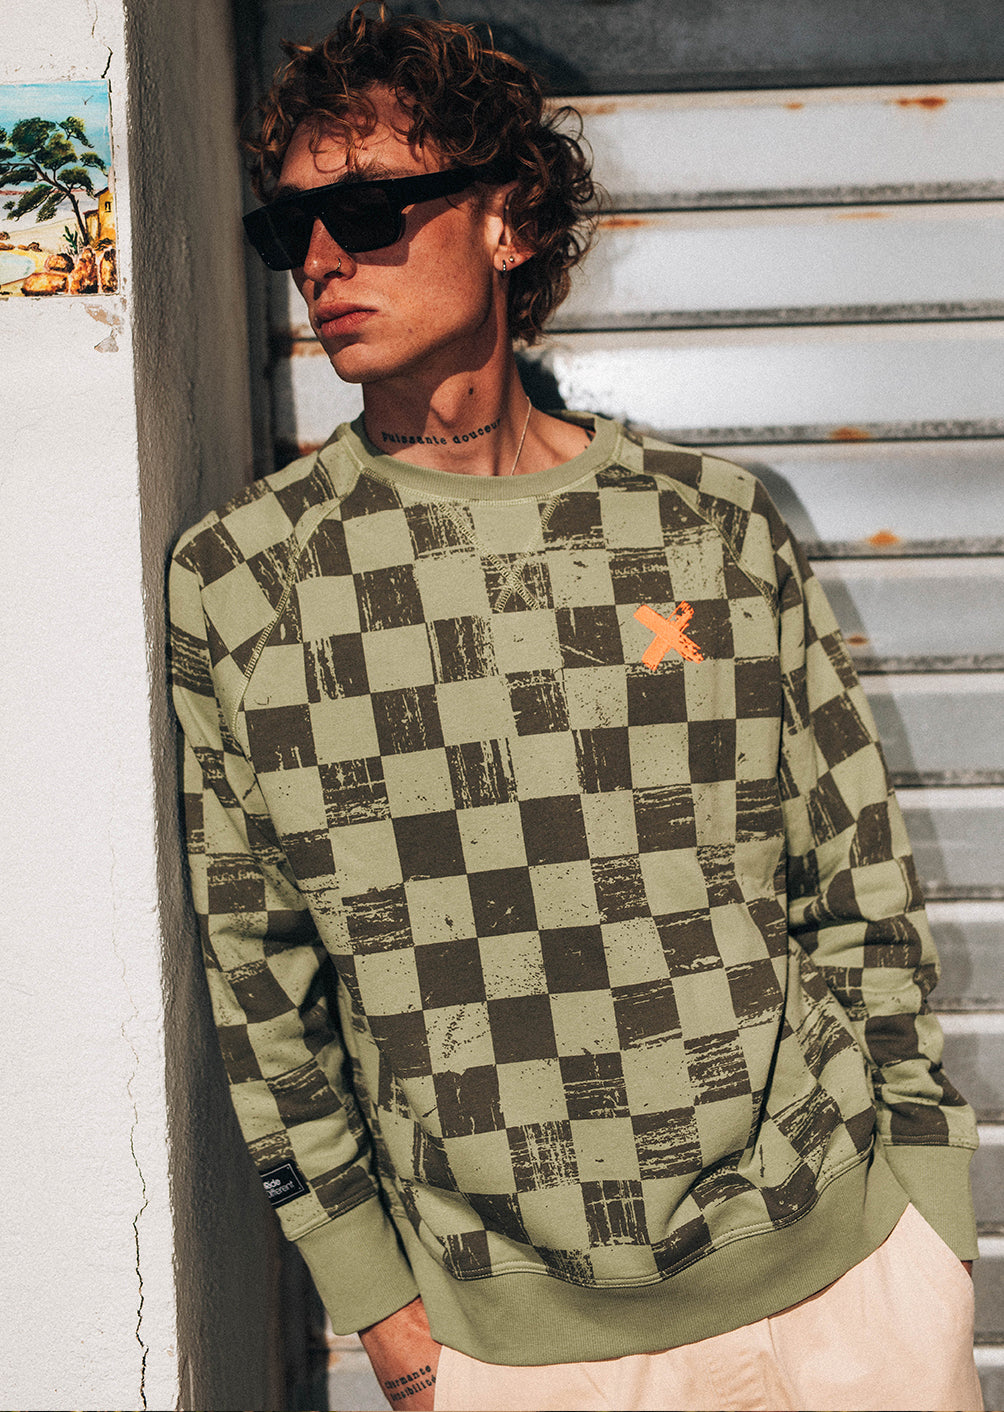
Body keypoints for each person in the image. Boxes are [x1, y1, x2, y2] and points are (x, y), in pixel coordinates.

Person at [168, 7, 983, 1409]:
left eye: (366, 210)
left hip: (842, 1282)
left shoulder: (708, 527)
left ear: (508, 220)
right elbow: (260, 981)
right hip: (512, 1346)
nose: (320, 260)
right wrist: (381, 1312)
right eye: (290, 226)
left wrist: (929, 1210)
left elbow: (856, 884)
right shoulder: (244, 580)